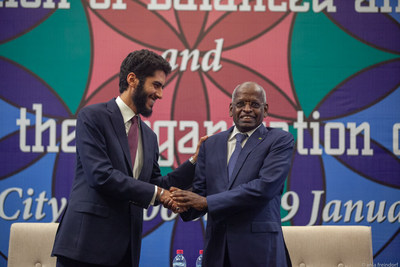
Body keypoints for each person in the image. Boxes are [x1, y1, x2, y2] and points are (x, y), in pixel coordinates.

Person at [52, 49, 205, 267]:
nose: (160, 94)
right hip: (84, 246)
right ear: (132, 79)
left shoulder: (149, 136)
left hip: (126, 251)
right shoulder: (93, 117)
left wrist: (194, 162)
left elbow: (153, 185)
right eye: (156, 85)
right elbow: (100, 176)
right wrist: (159, 194)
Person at [172, 82, 294, 267]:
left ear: (266, 109)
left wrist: (206, 202)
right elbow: (200, 193)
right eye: (240, 104)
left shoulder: (279, 140)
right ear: (231, 109)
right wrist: (181, 202)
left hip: (259, 251)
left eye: (254, 104)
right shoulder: (210, 144)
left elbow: (265, 188)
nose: (247, 109)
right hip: (217, 251)